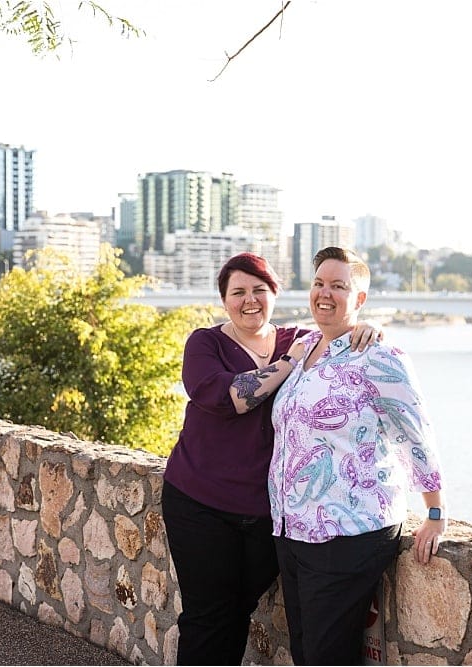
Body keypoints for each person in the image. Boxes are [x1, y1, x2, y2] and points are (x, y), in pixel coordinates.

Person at [162, 252, 378, 665]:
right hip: (199, 505)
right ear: (224, 299)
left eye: (259, 290)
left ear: (274, 295)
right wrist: (288, 363)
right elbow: (234, 398)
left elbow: (340, 329)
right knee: (208, 616)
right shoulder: (206, 344)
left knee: (237, 612)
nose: (249, 301)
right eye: (238, 292)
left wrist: (369, 328)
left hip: (265, 516)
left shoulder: (299, 339)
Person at [269, 246, 446, 665]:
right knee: (306, 652)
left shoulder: (380, 357)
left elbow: (416, 435)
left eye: (339, 286)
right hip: (292, 531)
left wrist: (435, 513)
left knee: (324, 657)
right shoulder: (303, 347)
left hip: (348, 533)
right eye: (318, 283)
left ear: (360, 298)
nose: (324, 293)